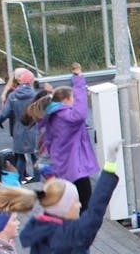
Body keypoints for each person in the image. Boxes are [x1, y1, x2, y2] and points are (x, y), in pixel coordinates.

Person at [24, 64, 100, 209]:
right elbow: (80, 113)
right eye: (73, 99)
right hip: (74, 168)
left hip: (63, 167)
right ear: (65, 100)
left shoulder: (53, 117)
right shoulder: (66, 116)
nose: (75, 102)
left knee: (71, 204)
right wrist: (78, 80)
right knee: (83, 206)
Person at [0, 68, 39, 182]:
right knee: (35, 158)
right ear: (31, 81)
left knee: (20, 157)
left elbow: (5, 113)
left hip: (18, 131)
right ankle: (38, 182)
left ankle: (19, 181)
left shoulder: (12, 96)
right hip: (34, 130)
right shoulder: (36, 96)